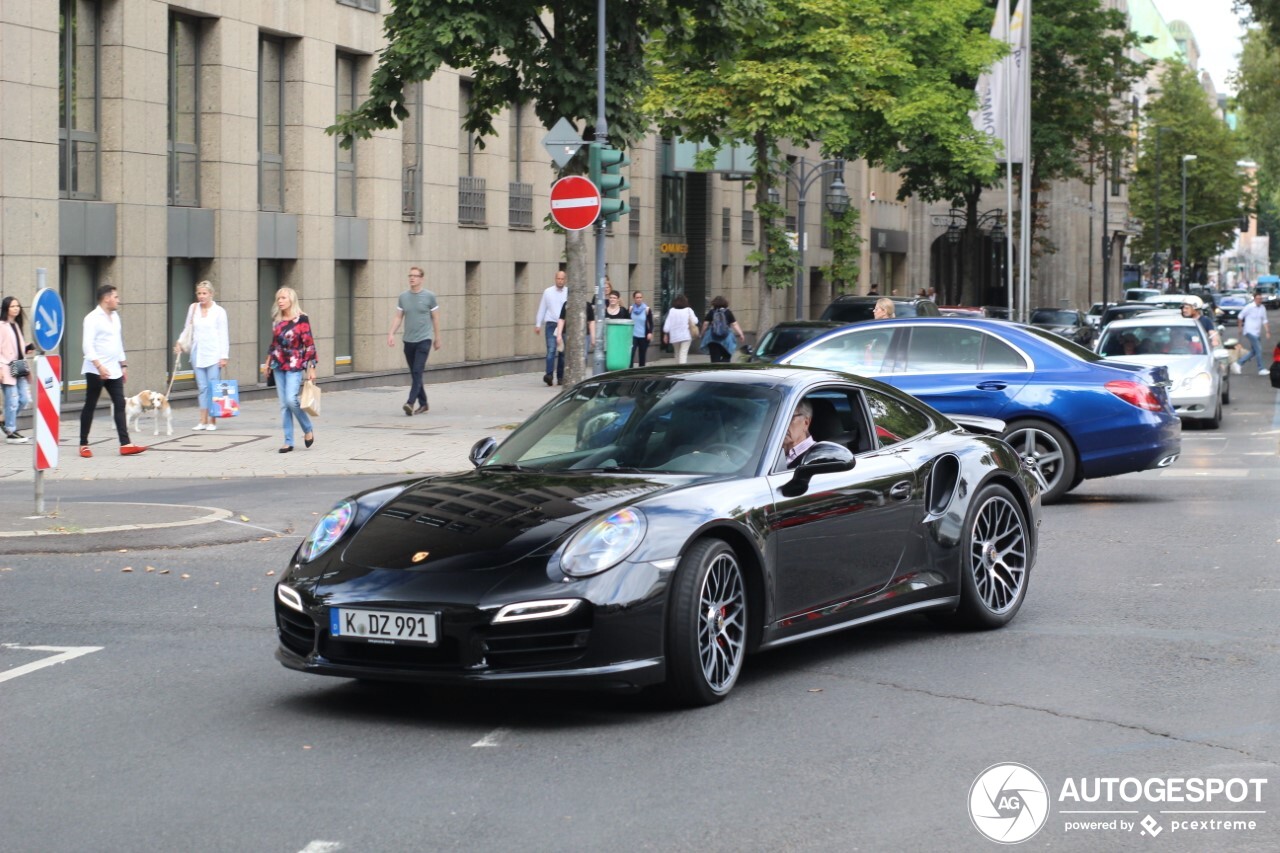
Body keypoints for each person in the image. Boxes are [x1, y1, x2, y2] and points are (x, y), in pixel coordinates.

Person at [79, 284, 146, 457]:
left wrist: (123, 365)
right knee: (90, 404)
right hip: (96, 370)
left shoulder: (115, 316)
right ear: (106, 298)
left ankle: (125, 444)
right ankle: (83, 444)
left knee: (120, 404)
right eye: (115, 297)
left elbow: (118, 342)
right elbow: (87, 346)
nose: (118, 300)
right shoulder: (92, 318)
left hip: (114, 369)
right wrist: (99, 366)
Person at [261, 287, 317, 453]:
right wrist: (267, 362)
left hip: (295, 364)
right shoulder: (277, 320)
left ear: (291, 299)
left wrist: (311, 367)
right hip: (278, 364)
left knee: (291, 399)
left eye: (283, 298)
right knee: (284, 405)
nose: (280, 301)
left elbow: (309, 344)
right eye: (278, 298)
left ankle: (307, 428)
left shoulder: (302, 319)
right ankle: (288, 441)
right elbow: (274, 344)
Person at [173, 281, 230, 431]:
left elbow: (224, 334)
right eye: (199, 293)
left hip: (214, 353)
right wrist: (180, 342)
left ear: (211, 294)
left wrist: (224, 356)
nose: (201, 296)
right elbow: (187, 329)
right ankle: (202, 420)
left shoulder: (219, 311)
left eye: (204, 293)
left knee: (213, 387)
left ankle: (212, 420)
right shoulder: (193, 308)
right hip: (198, 352)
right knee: (202, 388)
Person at [387, 265, 441, 414]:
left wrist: (437, 338)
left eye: (415, 276)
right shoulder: (403, 297)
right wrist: (391, 333)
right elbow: (399, 317)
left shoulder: (429, 296)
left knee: (417, 371)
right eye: (410, 275)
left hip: (424, 339)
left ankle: (410, 403)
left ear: (421, 279)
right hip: (408, 341)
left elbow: (435, 319)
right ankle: (424, 404)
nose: (412, 278)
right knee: (415, 373)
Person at [2, 296, 32, 444]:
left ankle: (4, 420)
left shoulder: (17, 325)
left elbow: (15, 348)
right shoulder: (2, 326)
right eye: (12, 306)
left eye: (17, 306)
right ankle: (11, 431)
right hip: (6, 368)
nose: (16, 308)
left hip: (19, 368)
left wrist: (27, 347)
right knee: (12, 400)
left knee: (24, 399)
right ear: (6, 308)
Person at [534, 270, 568, 385]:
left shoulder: (568, 292)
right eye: (558, 278)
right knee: (551, 350)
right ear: (555, 279)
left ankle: (560, 377)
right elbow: (542, 308)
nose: (560, 281)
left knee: (562, 352)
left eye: (562, 279)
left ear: (565, 280)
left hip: (564, 325)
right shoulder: (548, 292)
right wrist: (538, 324)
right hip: (551, 324)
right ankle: (549, 375)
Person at [700, 295, 746, 363]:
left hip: (713, 340)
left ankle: (716, 370)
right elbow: (734, 324)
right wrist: (741, 334)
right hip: (726, 340)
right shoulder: (728, 312)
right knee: (727, 356)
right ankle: (723, 369)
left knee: (715, 361)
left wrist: (702, 334)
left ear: (714, 303)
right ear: (725, 303)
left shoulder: (711, 312)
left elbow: (705, 324)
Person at [554, 298, 596, 369]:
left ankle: (581, 372)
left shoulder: (588, 305)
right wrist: (559, 335)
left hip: (585, 334)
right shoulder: (567, 304)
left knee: (584, 356)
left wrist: (593, 337)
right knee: (568, 356)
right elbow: (561, 319)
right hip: (568, 333)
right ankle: (565, 375)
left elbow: (591, 321)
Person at [1236, 291, 1271, 375]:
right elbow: (1240, 316)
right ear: (1254, 299)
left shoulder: (1263, 308)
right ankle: (1261, 368)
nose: (1260, 300)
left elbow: (1265, 320)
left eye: (1261, 298)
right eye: (1258, 299)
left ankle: (1238, 363)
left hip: (1257, 332)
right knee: (1259, 349)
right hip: (1249, 331)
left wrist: (1267, 331)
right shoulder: (1249, 307)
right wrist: (1240, 328)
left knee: (1254, 351)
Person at [662, 294, 699, 364]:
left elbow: (667, 325)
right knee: (683, 354)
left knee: (677, 354)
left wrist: (665, 334)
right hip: (686, 336)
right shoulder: (688, 310)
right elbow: (695, 321)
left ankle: (676, 369)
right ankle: (682, 370)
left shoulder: (672, 311)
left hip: (674, 337)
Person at [783, 399, 815, 468]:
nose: (783, 424)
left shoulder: (815, 456)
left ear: (806, 423)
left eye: (789, 418)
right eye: (779, 419)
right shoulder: (770, 451)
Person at [629, 291, 654, 367]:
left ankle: (641, 372)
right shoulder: (631, 309)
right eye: (637, 297)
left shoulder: (647, 309)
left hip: (643, 336)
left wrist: (650, 332)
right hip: (633, 335)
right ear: (634, 299)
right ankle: (630, 371)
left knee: (642, 355)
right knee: (631, 354)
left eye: (640, 297)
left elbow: (651, 322)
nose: (639, 299)